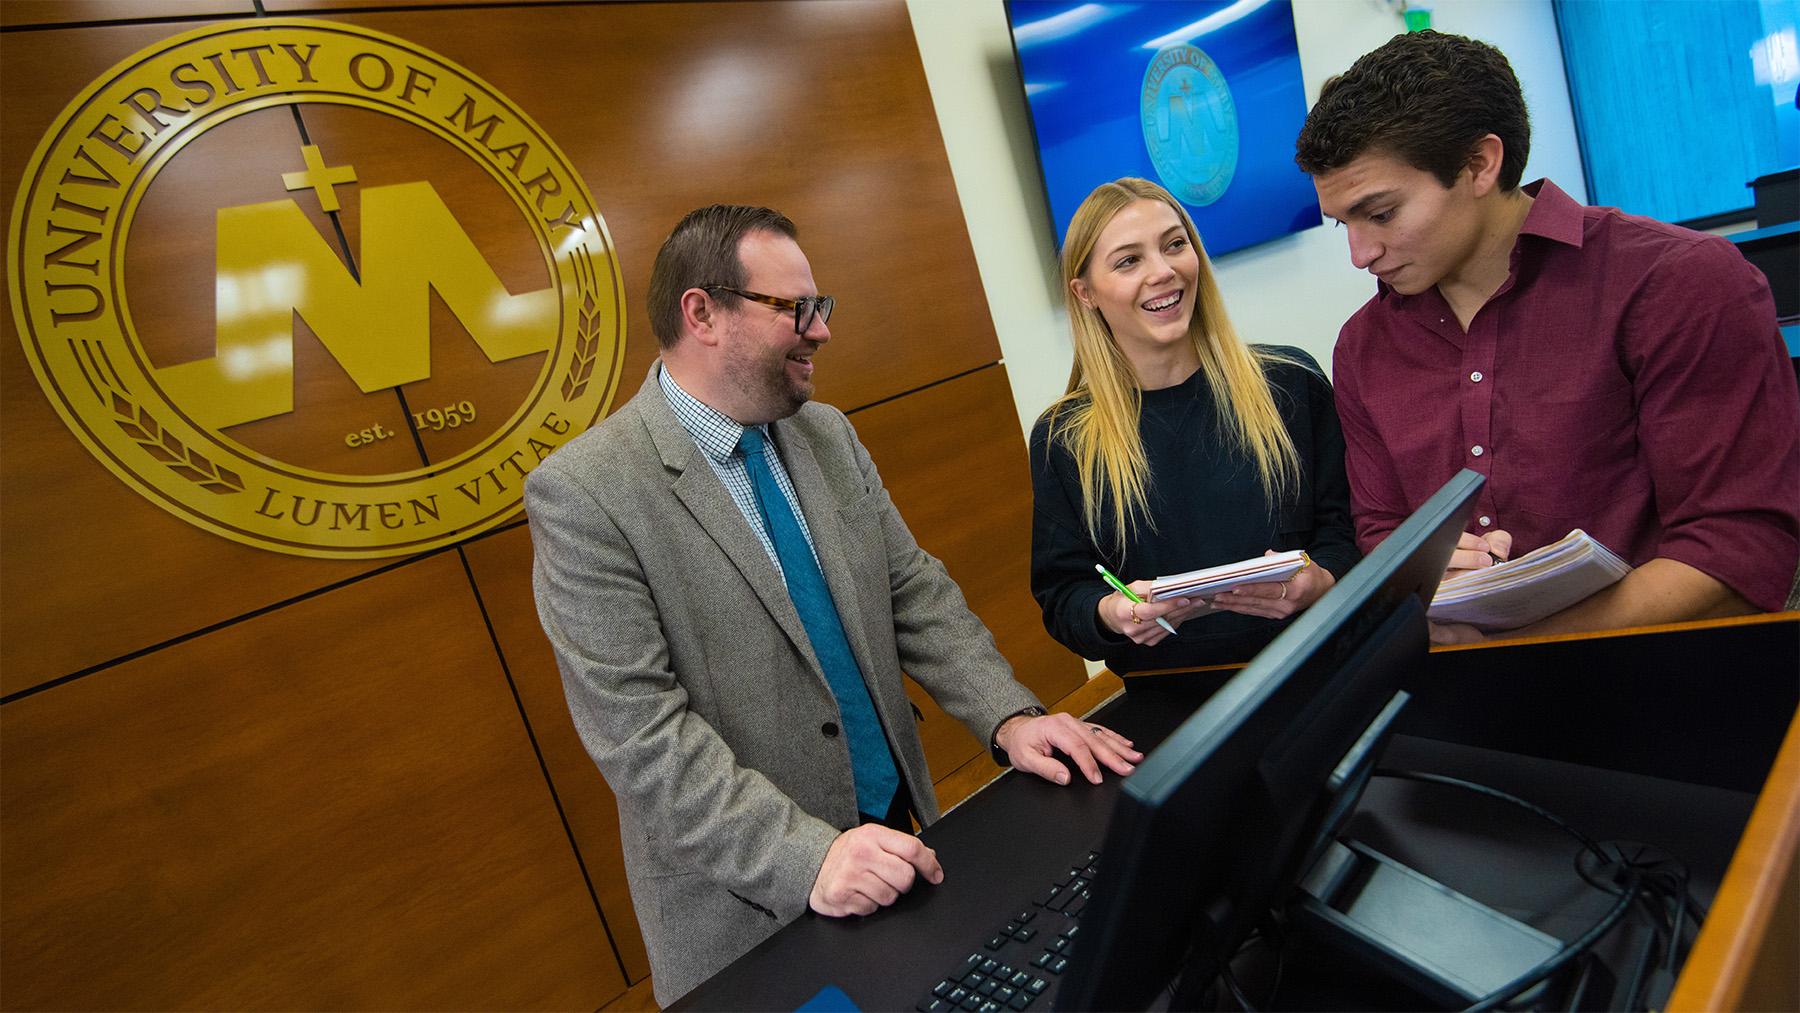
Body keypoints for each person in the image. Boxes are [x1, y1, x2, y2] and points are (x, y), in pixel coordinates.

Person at [524, 204, 1140, 1005]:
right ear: (702, 313)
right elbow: (643, 738)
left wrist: (1010, 717)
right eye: (796, 310)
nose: (821, 331)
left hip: (895, 843)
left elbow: (912, 592)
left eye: (821, 307)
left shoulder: (827, 435)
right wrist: (807, 858)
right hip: (752, 913)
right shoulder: (586, 495)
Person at [1294, 30, 1800, 643]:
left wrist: (1516, 643)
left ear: (1481, 164)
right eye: (1342, 223)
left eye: (1381, 214)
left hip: (1671, 676)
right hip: (1466, 690)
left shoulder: (1675, 283)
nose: (1360, 253)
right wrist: (1420, 572)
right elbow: (1380, 531)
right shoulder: (1364, 347)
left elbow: (1735, 549)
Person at [1029, 178, 1360, 675]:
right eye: (1128, 260)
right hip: (1170, 693)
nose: (1163, 272)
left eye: (1174, 245)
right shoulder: (1065, 438)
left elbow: (1350, 531)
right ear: (1085, 293)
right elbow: (1064, 597)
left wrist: (1322, 580)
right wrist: (1113, 613)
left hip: (1318, 669)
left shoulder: (1292, 384)